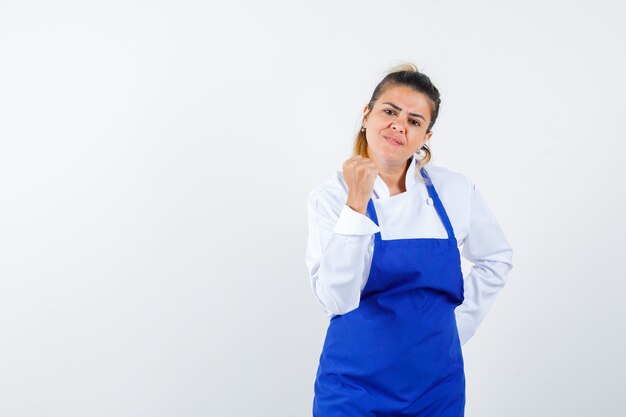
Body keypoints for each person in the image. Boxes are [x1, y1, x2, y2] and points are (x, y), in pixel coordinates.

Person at [305, 63, 513, 416]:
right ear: (366, 115)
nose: (399, 125)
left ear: (425, 137)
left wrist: (452, 330)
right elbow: (335, 300)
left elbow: (497, 258)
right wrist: (356, 204)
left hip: (436, 389)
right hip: (352, 390)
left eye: (415, 121)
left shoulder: (454, 191)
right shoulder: (330, 197)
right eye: (390, 111)